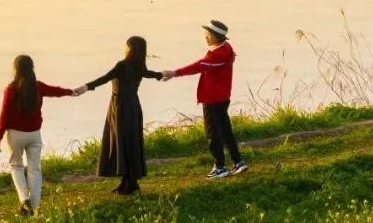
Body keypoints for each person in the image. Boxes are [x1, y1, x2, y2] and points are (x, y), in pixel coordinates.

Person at [0, 54, 79, 217]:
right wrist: (71, 92)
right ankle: (34, 206)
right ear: (32, 68)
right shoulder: (38, 87)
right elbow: (55, 91)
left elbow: (4, 116)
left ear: (16, 69)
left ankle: (24, 200)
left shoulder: (10, 90)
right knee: (35, 170)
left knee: (16, 166)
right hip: (34, 134)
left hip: (15, 135)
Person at [161, 20, 247, 179]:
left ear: (215, 36)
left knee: (212, 133)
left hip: (213, 99)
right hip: (222, 96)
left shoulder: (218, 54)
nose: (205, 37)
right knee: (225, 130)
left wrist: (174, 73)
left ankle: (220, 167)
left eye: (208, 35)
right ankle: (238, 162)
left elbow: (198, 66)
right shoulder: (226, 48)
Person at [76, 36, 162, 195]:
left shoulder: (122, 65)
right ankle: (126, 181)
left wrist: (87, 86)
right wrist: (160, 75)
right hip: (132, 105)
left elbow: (105, 78)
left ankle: (131, 184)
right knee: (130, 142)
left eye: (127, 45)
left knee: (122, 142)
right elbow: (150, 74)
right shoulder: (139, 66)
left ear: (130, 48)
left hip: (121, 106)